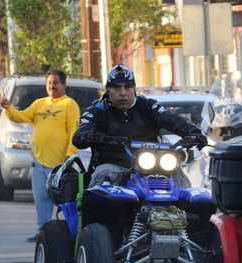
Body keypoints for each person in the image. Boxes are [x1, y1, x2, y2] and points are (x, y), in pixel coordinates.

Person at [73, 64, 206, 188]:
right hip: (114, 166)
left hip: (155, 166)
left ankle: (185, 213)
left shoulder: (148, 106)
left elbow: (171, 119)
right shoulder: (97, 110)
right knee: (103, 174)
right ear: (108, 91)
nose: (123, 92)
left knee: (185, 186)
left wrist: (194, 132)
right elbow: (79, 136)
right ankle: (98, 214)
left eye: (127, 87)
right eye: (116, 88)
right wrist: (98, 137)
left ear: (134, 89)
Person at [0, 69, 80, 242]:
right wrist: (8, 107)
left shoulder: (69, 104)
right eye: (49, 82)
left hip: (60, 165)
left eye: (55, 82)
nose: (52, 85)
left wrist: (70, 153)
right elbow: (20, 117)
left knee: (65, 202)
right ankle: (43, 234)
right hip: (38, 163)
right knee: (42, 201)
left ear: (63, 85)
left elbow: (75, 131)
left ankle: (71, 234)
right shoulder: (39, 103)